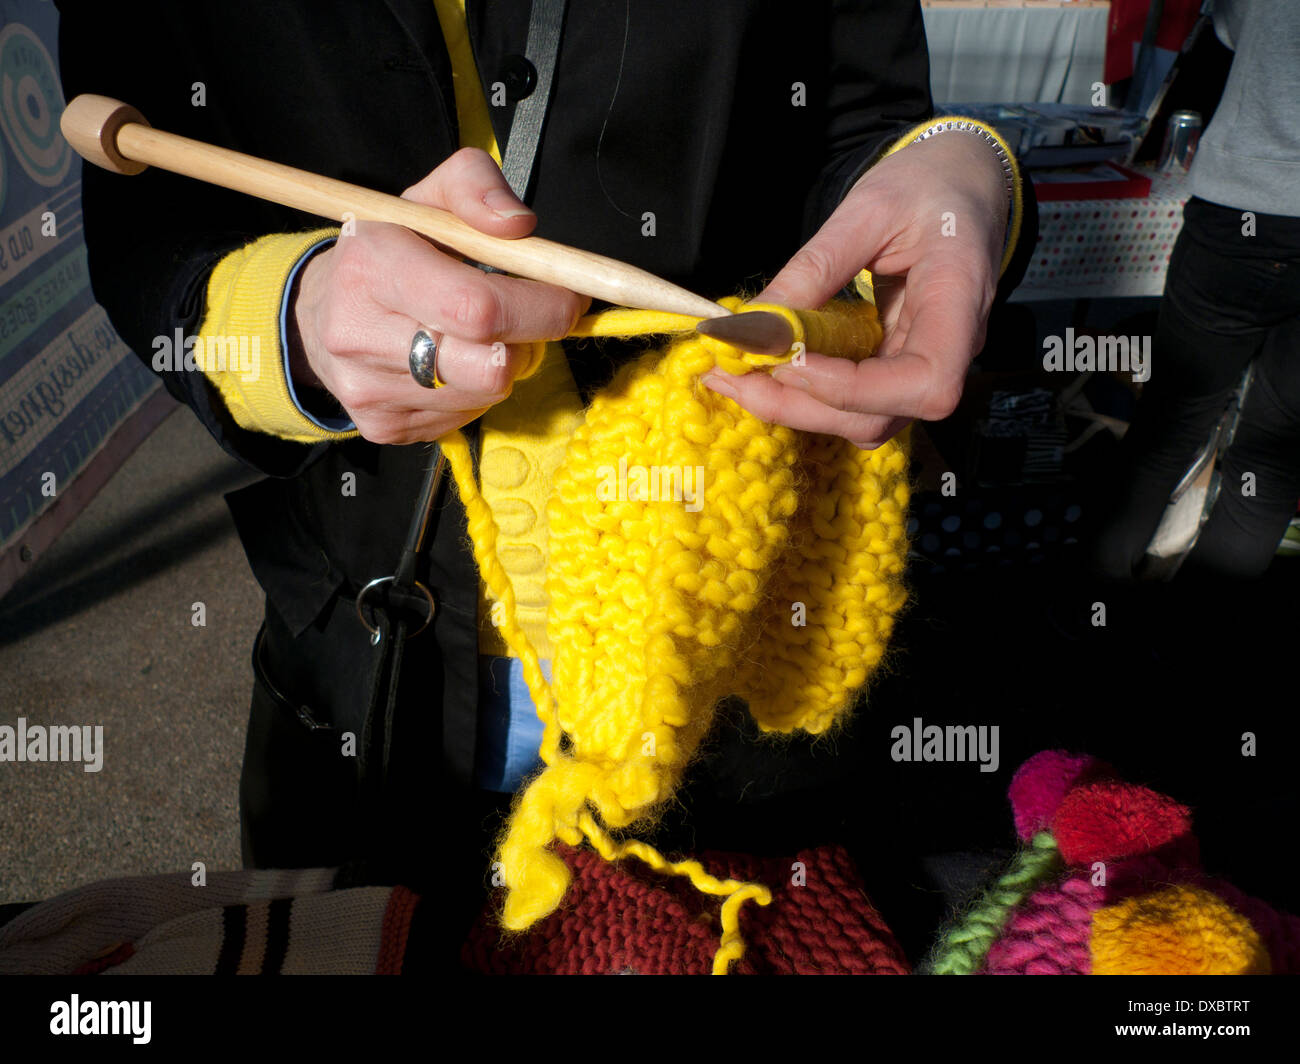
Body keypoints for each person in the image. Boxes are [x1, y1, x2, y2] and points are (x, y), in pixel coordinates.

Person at [56, 0, 1033, 958]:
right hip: (367, 665)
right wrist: (291, 324)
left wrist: (966, 169)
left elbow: (870, 118)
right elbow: (151, 239)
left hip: (731, 629)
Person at [1091, 0, 1300, 584]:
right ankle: (1197, 641)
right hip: (1246, 206)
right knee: (1275, 454)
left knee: (1172, 424)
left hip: (1244, 204)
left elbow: (1226, 36)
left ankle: (1092, 611)